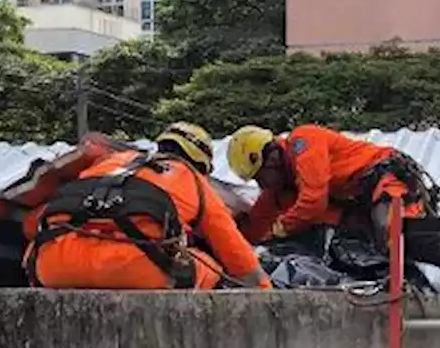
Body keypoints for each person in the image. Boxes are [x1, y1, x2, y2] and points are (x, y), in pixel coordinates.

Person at [225, 123, 440, 293]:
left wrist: (281, 226)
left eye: (262, 176)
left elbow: (313, 200)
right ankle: (408, 284)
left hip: (383, 179)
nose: (263, 185)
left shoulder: (303, 143)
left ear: (271, 157)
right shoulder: (279, 193)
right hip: (361, 204)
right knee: (361, 248)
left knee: (396, 231)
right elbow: (253, 229)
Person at [23, 122, 271, 290]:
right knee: (210, 266)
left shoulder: (107, 163)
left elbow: (35, 223)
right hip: (131, 267)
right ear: (201, 164)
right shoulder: (192, 179)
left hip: (56, 266)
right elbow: (238, 257)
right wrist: (266, 292)